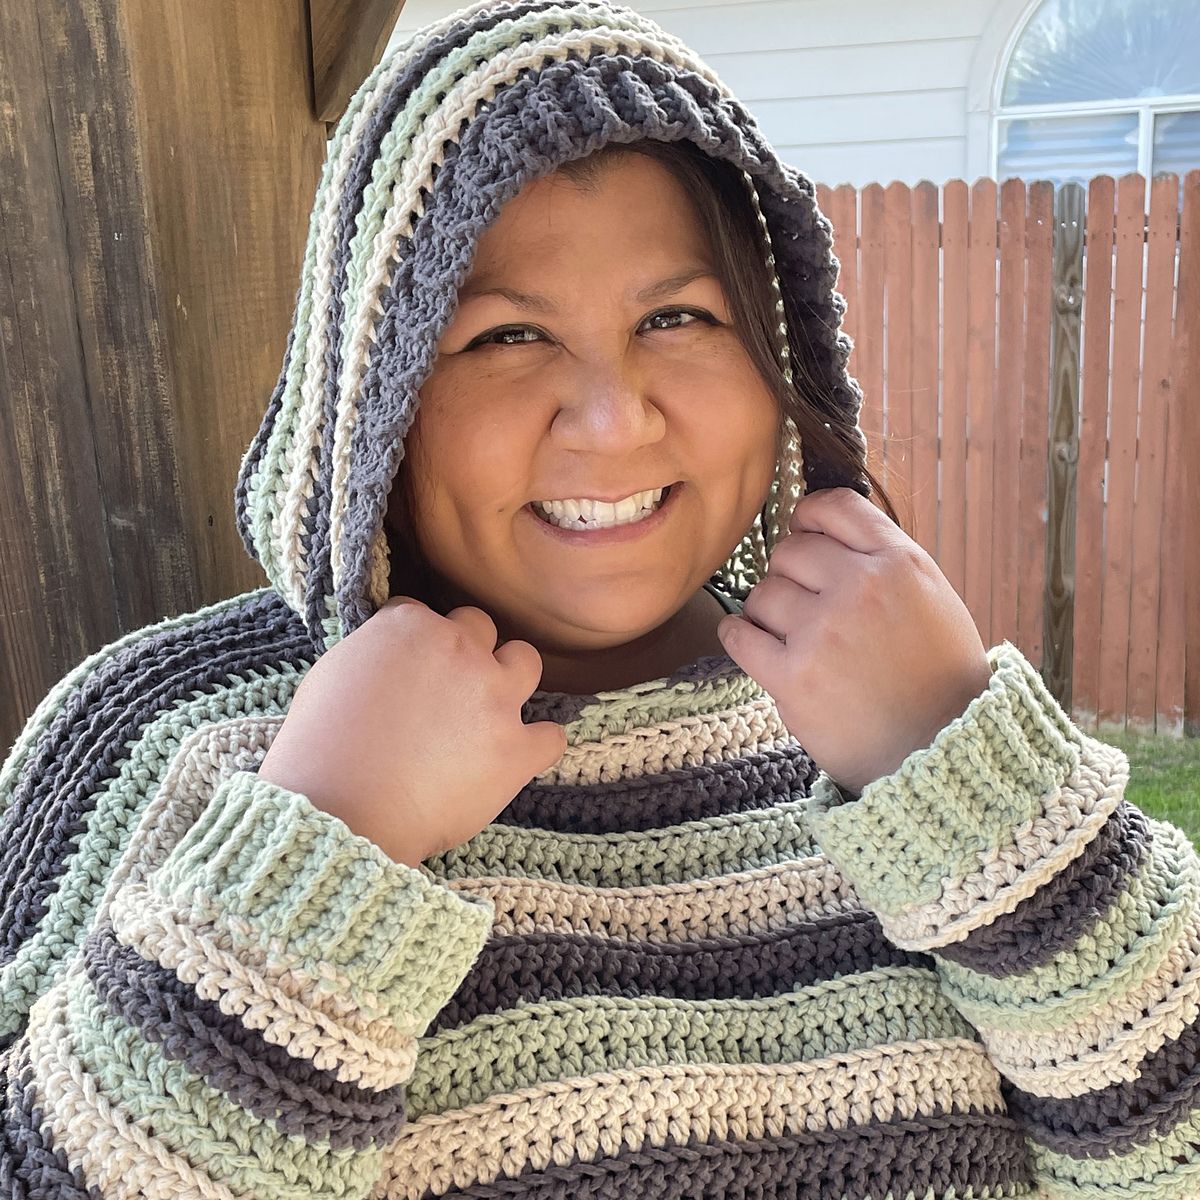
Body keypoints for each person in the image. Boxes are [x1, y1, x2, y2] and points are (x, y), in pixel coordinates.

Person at [1, 2, 1196, 1196]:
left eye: (678, 317)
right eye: (506, 336)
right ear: (375, 393)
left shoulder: (895, 713)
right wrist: (328, 837)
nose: (617, 418)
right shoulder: (156, 738)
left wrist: (971, 780)